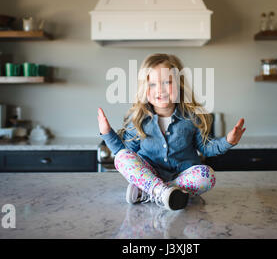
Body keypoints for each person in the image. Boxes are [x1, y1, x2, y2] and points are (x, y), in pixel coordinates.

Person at [97, 53, 245, 211]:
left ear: (179, 85)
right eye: (152, 84)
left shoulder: (192, 117)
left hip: (182, 175)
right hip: (150, 173)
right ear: (144, 89)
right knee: (121, 158)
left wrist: (228, 141)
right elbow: (124, 152)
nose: (160, 89)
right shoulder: (139, 119)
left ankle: (152, 191)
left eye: (167, 82)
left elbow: (206, 147)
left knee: (207, 175)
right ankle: (160, 191)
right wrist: (107, 133)